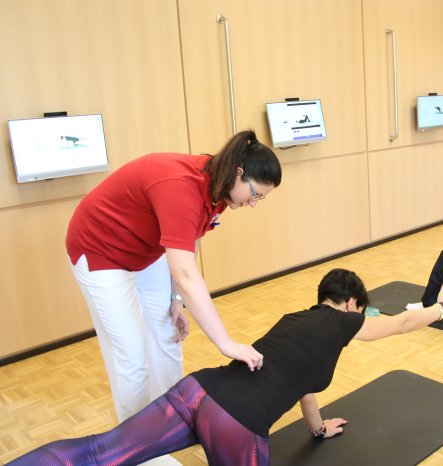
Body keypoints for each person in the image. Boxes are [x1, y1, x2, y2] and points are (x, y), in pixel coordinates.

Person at [7, 269, 443, 466]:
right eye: (359, 309)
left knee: (97, 453)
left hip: (197, 393)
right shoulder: (346, 321)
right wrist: (441, 309)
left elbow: (302, 384)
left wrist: (319, 428)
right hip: (236, 423)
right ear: (352, 304)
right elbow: (403, 322)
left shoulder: (297, 321)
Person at [65, 129, 282, 430]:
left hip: (146, 250)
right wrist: (226, 343)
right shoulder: (181, 187)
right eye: (255, 194)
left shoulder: (220, 187)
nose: (254, 203)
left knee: (168, 337)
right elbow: (184, 273)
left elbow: (188, 243)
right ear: (239, 172)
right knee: (132, 357)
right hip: (101, 252)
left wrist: (176, 300)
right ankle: (136, 444)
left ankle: (169, 422)